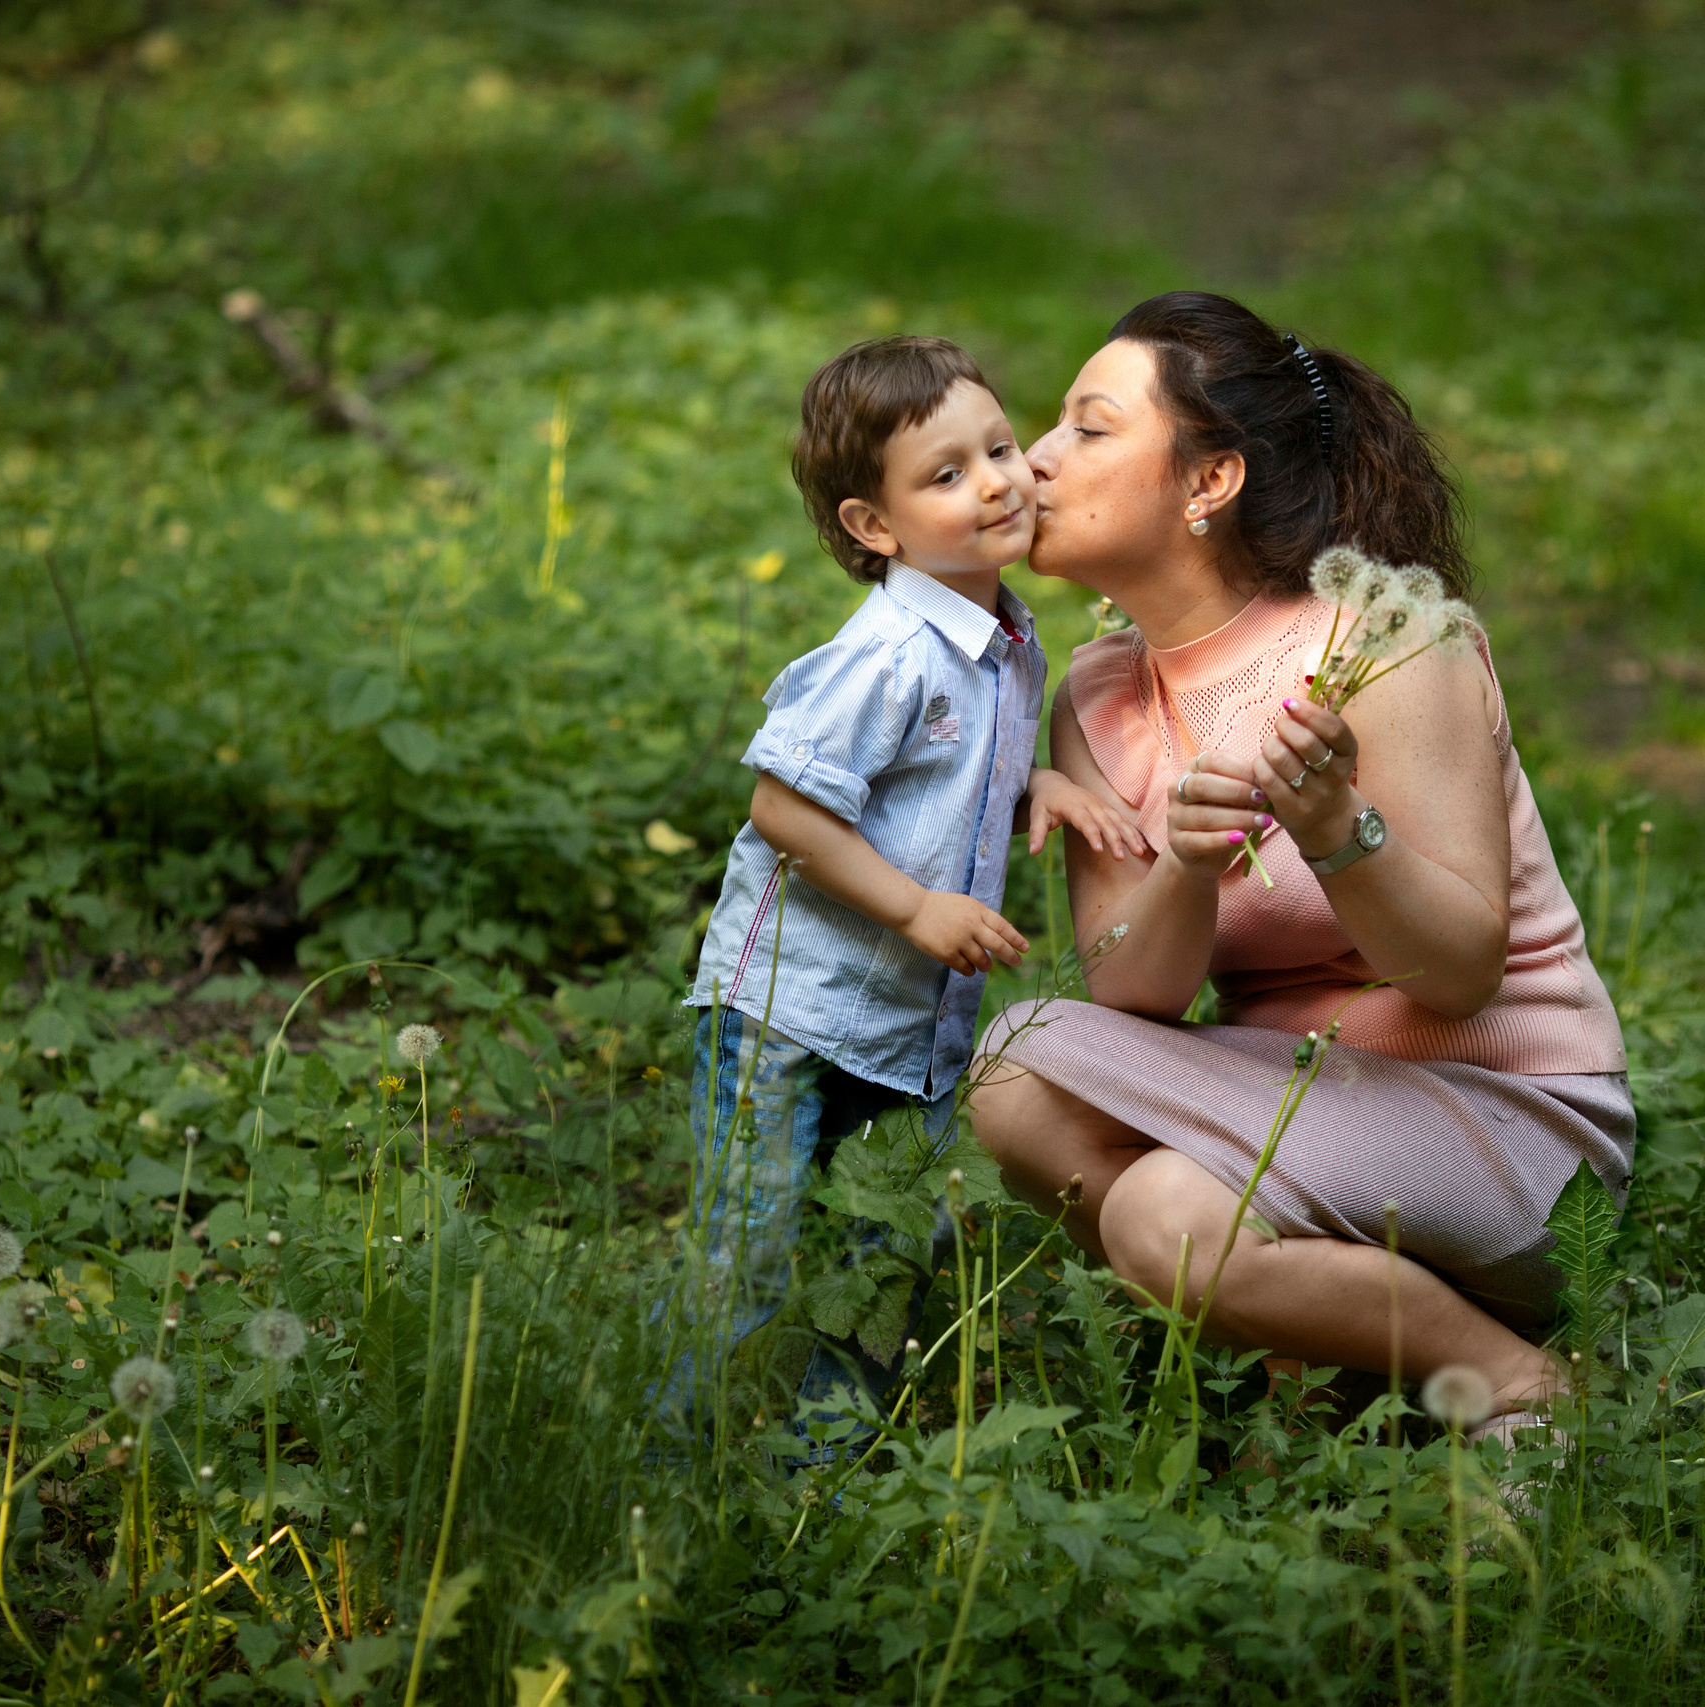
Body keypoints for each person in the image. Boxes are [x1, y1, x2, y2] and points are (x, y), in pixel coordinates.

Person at [970, 292, 1630, 1435]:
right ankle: (1311, 1353)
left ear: (1206, 483)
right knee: (1025, 1074)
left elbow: (1463, 972)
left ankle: (1516, 1382)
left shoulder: (1383, 640)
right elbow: (1133, 993)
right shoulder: (1094, 696)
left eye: (1087, 426)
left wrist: (1334, 832)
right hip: (1295, 1119)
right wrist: (1181, 862)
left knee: (1157, 1211)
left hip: (1506, 1122)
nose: (1035, 459)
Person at [681, 335, 1144, 1439]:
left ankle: (826, 1465)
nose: (994, 481)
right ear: (873, 527)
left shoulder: (1006, 635)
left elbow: (932, 765)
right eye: (945, 475)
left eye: (996, 448)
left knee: (883, 1252)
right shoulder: (885, 652)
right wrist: (916, 907)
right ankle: (679, 1450)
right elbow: (785, 811)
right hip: (788, 1010)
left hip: (902, 1024)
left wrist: (1028, 783)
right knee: (750, 1240)